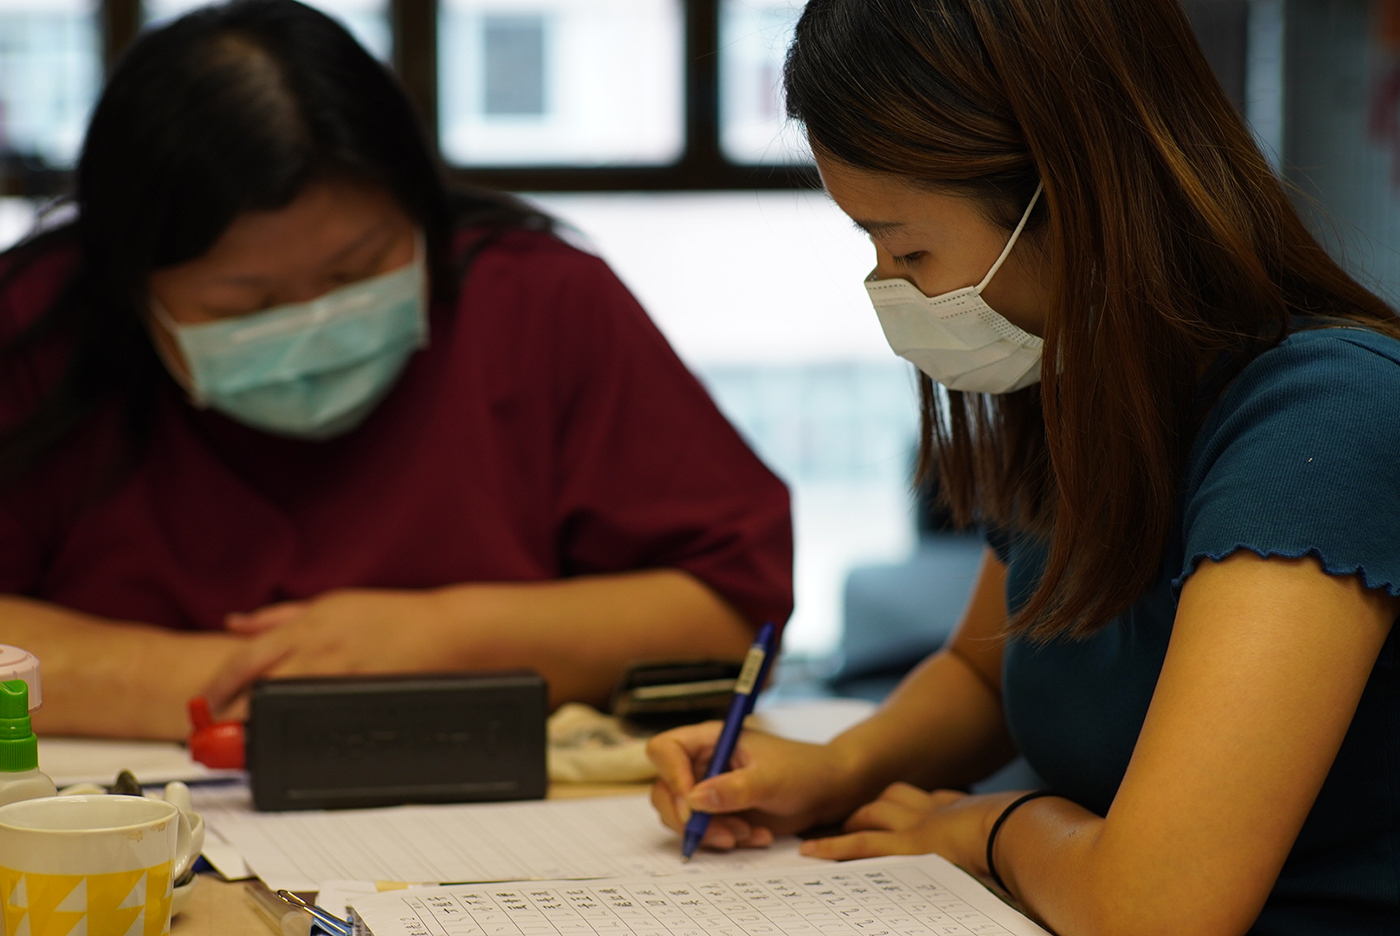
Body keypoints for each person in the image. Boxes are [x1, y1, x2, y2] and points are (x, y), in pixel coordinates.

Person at [646, 2, 1400, 934]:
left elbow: (1155, 912)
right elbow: (983, 669)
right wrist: (840, 768)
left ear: (1069, 194)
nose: (889, 288)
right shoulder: (1080, 384)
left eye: (911, 248)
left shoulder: (1324, 418)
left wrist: (986, 827)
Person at [0, 0, 792, 741]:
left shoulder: (538, 302)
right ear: (132, 284)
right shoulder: (38, 324)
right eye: (248, 302)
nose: (311, 322)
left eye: (357, 272)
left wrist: (439, 637)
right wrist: (236, 682)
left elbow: (731, 612)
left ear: (421, 209)